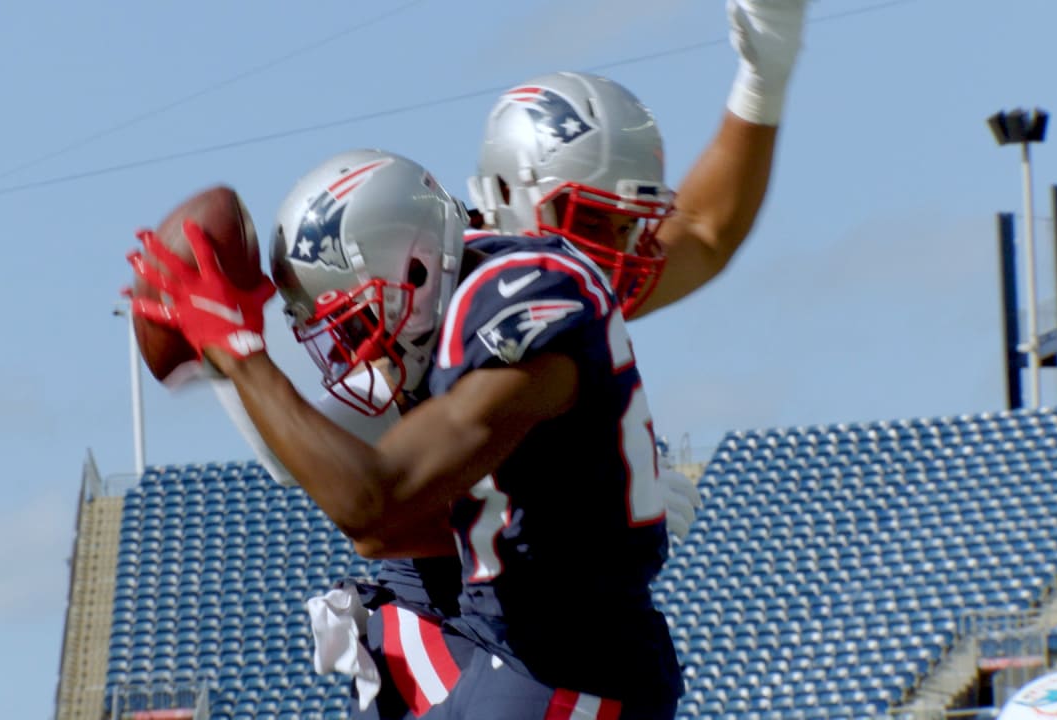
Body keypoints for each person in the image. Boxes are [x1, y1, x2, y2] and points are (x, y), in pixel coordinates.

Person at [130, 148, 680, 717]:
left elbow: (372, 503)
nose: (350, 353)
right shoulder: (447, 301)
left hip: (573, 663)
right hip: (512, 646)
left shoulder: (520, 302)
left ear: (413, 271)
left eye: (355, 322)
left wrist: (240, 353)